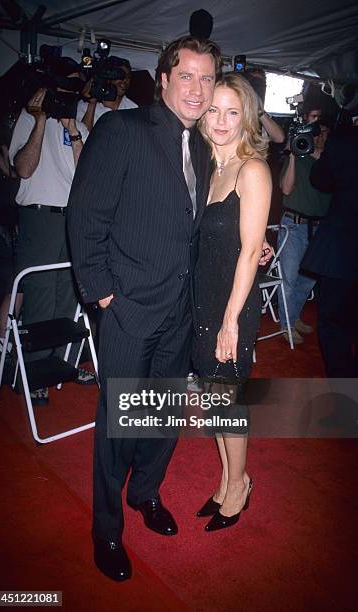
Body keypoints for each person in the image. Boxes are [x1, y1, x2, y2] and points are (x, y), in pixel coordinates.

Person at [67, 36, 222, 582]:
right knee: (117, 425)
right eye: (188, 76)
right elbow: (85, 218)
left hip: (180, 310)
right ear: (162, 80)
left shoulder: (203, 149)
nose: (198, 89)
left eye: (207, 79)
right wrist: (105, 295)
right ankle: (106, 529)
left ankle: (147, 495)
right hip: (129, 308)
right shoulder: (122, 131)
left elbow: (194, 228)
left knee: (160, 416)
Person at [192, 73, 271, 531]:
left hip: (231, 305)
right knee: (213, 398)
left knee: (227, 399)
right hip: (200, 299)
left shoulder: (251, 169)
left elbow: (248, 251)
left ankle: (239, 485)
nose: (221, 120)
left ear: (247, 118)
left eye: (233, 111)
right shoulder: (207, 167)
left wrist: (230, 321)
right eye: (214, 109)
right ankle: (226, 479)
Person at [9, 57, 94, 405]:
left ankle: (58, 363)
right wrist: (42, 118)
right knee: (41, 295)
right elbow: (24, 169)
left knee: (67, 295)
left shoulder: (81, 127)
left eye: (74, 85)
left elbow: (88, 177)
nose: (67, 92)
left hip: (71, 217)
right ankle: (32, 372)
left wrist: (72, 129)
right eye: (64, 84)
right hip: (40, 217)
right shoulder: (31, 118)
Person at [301, 119, 358, 377]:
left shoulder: (345, 137)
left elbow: (320, 179)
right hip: (343, 248)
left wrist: (321, 154)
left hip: (343, 249)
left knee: (334, 326)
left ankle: (345, 401)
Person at [277, 116, 331, 344]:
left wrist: (311, 153)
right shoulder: (299, 156)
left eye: (324, 132)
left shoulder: (330, 161)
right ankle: (286, 325)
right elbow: (286, 189)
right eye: (316, 132)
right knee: (289, 279)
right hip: (293, 225)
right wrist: (293, 155)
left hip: (320, 228)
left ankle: (295, 316)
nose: (319, 136)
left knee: (308, 280)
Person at [77, 56, 138, 131]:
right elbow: (83, 138)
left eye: (128, 77)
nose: (124, 81)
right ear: (109, 77)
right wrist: (92, 104)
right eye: (120, 76)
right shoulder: (84, 106)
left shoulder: (133, 108)